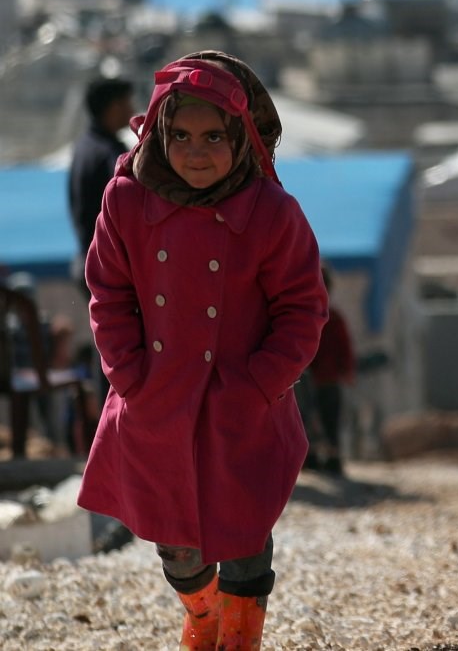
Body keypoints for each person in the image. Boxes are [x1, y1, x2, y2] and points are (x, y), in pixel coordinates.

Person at [77, 51, 328, 650]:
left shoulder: (271, 212)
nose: (196, 152)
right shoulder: (126, 201)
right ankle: (202, 616)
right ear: (158, 134)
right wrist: (129, 375)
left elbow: (302, 309)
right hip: (157, 399)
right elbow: (108, 292)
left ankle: (238, 639)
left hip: (241, 403)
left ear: (240, 137)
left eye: (214, 136)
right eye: (181, 136)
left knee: (244, 535)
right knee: (177, 546)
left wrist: (260, 383)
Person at [69, 77, 136, 280]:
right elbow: (129, 205)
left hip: (89, 258)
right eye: (127, 103)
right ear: (114, 107)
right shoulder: (109, 153)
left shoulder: (85, 146)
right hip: (109, 267)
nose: (132, 109)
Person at [297, 265, 356, 477]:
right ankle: (317, 456)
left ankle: (327, 457)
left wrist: (346, 370)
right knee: (311, 419)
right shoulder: (322, 316)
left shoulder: (330, 317)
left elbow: (344, 348)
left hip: (321, 379)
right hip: (312, 379)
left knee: (322, 419)